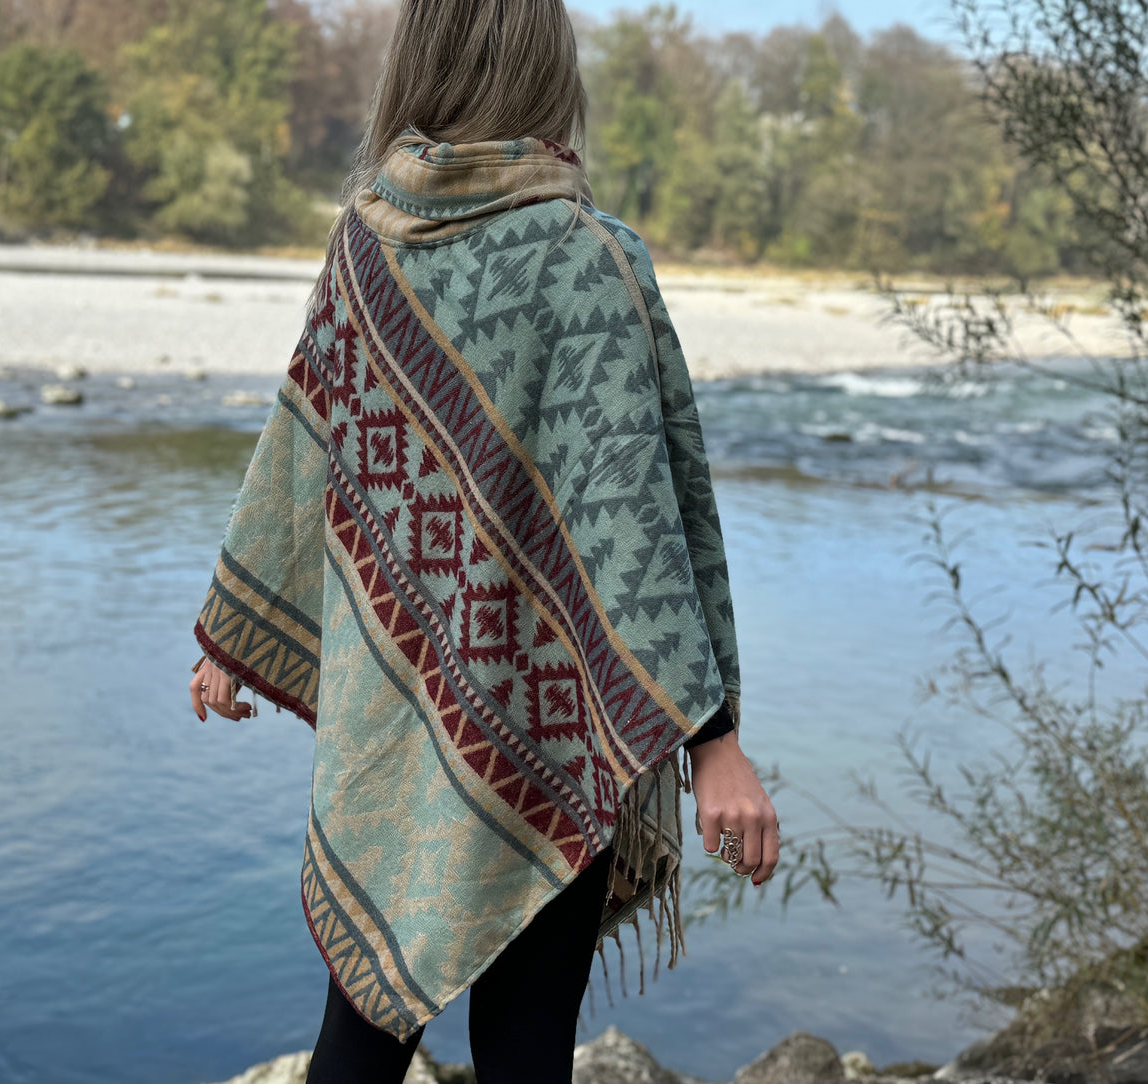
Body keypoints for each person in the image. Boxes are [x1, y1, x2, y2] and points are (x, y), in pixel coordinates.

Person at [186, 2, 779, 1081]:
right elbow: (648, 527)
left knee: (358, 1038)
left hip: (389, 714)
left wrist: (231, 633)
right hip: (554, 717)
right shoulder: (589, 258)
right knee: (522, 1048)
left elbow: (299, 451)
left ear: (418, 64)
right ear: (551, 70)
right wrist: (712, 740)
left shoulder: (365, 241)